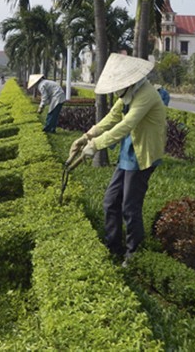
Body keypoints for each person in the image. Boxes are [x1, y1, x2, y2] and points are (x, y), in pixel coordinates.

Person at [70, 54, 167, 266]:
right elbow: (112, 118)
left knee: (130, 206)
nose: (115, 92)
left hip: (144, 155)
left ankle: (134, 253)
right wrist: (86, 137)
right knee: (110, 201)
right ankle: (113, 246)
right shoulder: (126, 94)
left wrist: (95, 146)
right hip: (128, 152)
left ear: (129, 82)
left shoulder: (146, 94)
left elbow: (126, 125)